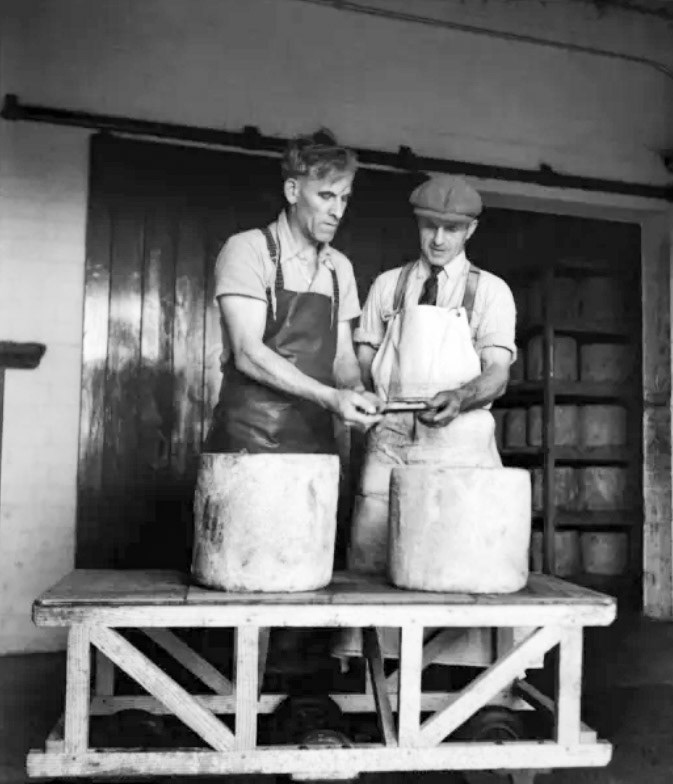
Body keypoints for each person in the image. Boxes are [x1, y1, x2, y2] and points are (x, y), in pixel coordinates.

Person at [349, 174, 518, 572]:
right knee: (371, 559)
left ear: (471, 230)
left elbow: (497, 373)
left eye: (453, 229)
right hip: (389, 442)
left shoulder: (491, 292)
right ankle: (367, 638)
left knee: (458, 562)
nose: (439, 239)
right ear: (417, 224)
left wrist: (459, 397)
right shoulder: (388, 286)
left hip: (458, 441)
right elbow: (362, 359)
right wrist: (366, 396)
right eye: (430, 226)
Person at [204, 129, 382, 456]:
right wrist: (330, 397)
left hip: (316, 443)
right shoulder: (248, 250)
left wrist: (356, 392)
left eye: (344, 199)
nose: (338, 212)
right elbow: (247, 353)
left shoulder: (339, 267)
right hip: (247, 443)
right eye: (326, 196)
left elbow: (343, 356)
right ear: (292, 191)